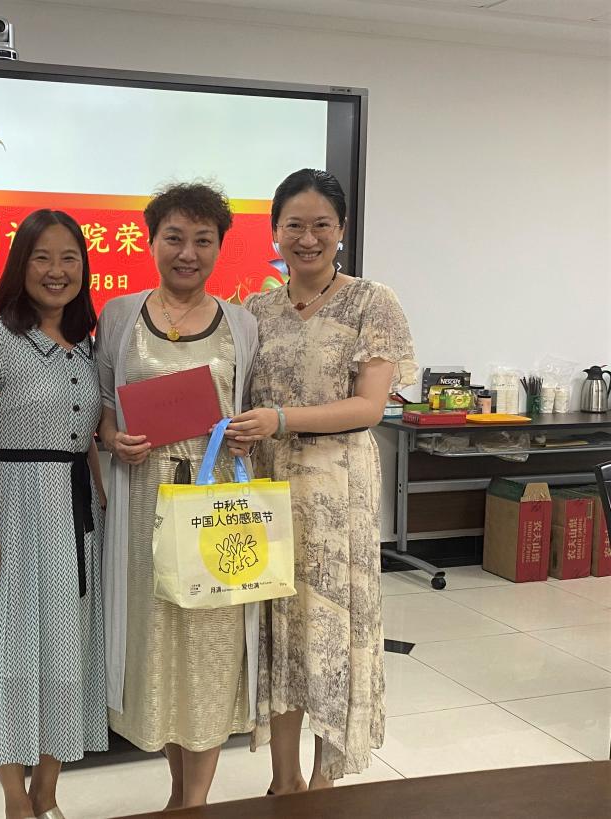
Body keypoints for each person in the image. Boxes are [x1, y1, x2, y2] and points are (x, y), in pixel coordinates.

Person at [227, 169, 416, 792]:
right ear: (274, 231)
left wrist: (280, 419)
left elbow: (369, 406)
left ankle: (324, 784)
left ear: (341, 230)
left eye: (321, 225)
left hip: (338, 492)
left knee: (332, 629)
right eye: (294, 226)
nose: (307, 239)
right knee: (280, 629)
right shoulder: (255, 311)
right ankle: (283, 782)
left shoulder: (372, 302)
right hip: (269, 487)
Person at [96, 182, 259, 809]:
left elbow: (252, 406)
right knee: (158, 644)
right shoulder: (118, 316)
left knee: (212, 646)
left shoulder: (241, 324)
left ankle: (195, 802)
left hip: (215, 505)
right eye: (174, 238)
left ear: (219, 247)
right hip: (144, 503)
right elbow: (103, 410)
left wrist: (245, 429)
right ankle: (176, 792)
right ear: (150, 241)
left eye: (202, 240)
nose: (187, 253)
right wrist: (113, 439)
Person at [0, 209, 108, 819]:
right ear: (21, 264)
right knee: (12, 655)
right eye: (42, 257)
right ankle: (15, 800)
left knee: (68, 654)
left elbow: (85, 439)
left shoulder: (87, 345)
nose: (56, 270)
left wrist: (105, 506)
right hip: (14, 512)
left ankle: (48, 793)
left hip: (76, 518)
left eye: (69, 258)